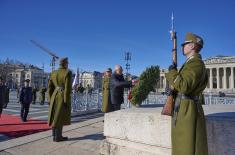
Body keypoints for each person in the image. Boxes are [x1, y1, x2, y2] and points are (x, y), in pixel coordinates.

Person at [165, 32, 208, 155]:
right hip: (184, 107)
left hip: (187, 110)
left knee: (185, 145)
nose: (182, 46)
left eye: (185, 44)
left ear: (193, 46)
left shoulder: (196, 63)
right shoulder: (190, 63)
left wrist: (173, 72)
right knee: (182, 144)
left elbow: (184, 86)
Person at [48, 57, 72, 142]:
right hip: (62, 96)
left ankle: (55, 135)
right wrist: (66, 101)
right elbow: (67, 89)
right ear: (65, 63)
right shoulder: (68, 72)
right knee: (60, 116)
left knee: (54, 116)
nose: (68, 64)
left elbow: (50, 88)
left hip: (54, 95)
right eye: (67, 63)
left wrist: (50, 99)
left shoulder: (53, 72)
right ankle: (58, 137)